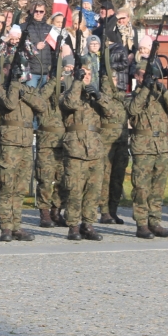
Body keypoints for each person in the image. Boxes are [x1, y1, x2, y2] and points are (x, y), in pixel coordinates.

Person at [128, 60, 168, 239]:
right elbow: (133, 110)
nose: (147, 78)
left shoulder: (160, 95)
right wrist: (145, 88)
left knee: (158, 188)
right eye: (143, 74)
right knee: (141, 188)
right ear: (137, 76)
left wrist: (164, 90)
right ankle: (141, 223)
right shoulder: (134, 95)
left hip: (161, 146)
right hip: (143, 147)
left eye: (149, 75)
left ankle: (155, 221)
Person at [61, 64, 114, 241]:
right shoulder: (68, 94)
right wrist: (77, 81)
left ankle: (88, 224)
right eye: (83, 74)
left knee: (94, 190)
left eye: (89, 74)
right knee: (74, 190)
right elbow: (70, 103)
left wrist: (99, 97)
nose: (87, 77)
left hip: (95, 150)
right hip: (75, 149)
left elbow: (112, 113)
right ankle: (73, 226)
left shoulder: (95, 98)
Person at [0, 58, 42, 242]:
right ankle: (6, 227)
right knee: (7, 186)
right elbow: (10, 104)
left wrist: (24, 92)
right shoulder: (0, 90)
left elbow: (42, 106)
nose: (17, 74)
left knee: (20, 188)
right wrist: (14, 84)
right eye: (11, 70)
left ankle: (16, 227)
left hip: (25, 144)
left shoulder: (27, 89)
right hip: (9, 145)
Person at [33, 60, 67, 228]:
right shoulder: (43, 94)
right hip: (46, 143)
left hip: (63, 144)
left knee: (62, 180)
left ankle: (56, 210)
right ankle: (44, 213)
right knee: (45, 180)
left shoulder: (65, 96)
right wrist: (53, 81)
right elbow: (39, 99)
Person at [97, 70, 129, 225]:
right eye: (109, 80)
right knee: (105, 178)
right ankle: (104, 212)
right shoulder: (100, 98)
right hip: (106, 142)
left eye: (115, 79)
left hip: (121, 142)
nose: (112, 82)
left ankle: (113, 210)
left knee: (118, 178)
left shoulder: (121, 98)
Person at [23, 1, 52, 87]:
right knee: (29, 94)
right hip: (31, 72)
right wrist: (35, 47)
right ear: (31, 11)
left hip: (46, 72)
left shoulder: (50, 29)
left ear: (44, 12)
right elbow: (21, 48)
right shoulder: (24, 27)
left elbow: (54, 51)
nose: (38, 13)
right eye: (36, 11)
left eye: (41, 11)